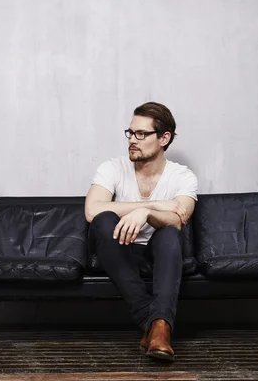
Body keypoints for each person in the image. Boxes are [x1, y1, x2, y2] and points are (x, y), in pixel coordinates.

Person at [84, 102, 198, 362]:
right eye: (130, 133)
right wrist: (151, 205)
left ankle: (156, 327)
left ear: (163, 138)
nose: (132, 141)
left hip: (158, 253)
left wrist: (146, 215)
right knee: (103, 220)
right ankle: (158, 324)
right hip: (118, 250)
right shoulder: (111, 168)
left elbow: (178, 220)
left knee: (169, 233)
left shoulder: (183, 176)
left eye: (142, 134)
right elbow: (92, 210)